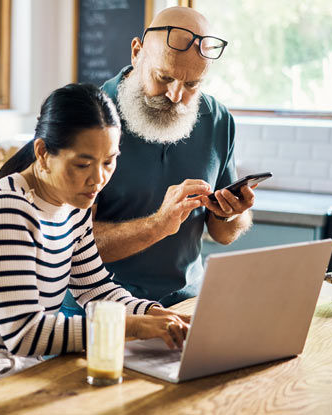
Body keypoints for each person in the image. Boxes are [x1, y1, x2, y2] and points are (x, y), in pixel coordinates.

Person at [0, 83, 192, 413]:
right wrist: (131, 325)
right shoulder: (7, 207)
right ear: (43, 153)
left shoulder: (72, 203)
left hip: (18, 370)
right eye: (83, 164)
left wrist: (152, 313)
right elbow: (25, 333)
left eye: (109, 161)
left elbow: (95, 287)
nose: (98, 179)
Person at [60, 7, 256, 316]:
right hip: (100, 311)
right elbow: (66, 245)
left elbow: (223, 235)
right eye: (164, 77)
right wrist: (157, 226)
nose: (176, 96)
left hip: (186, 307)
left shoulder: (219, 121)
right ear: (137, 53)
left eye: (193, 84)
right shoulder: (88, 117)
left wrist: (232, 214)